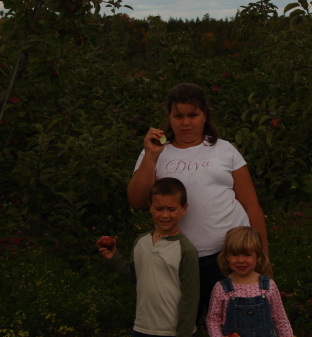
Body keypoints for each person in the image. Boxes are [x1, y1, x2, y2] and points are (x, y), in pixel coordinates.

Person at [127, 82, 270, 324]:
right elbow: (137, 201)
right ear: (169, 117)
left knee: (235, 323)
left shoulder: (224, 150)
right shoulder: (155, 152)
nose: (185, 122)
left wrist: (263, 252)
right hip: (177, 258)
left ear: (205, 115)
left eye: (192, 115)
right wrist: (151, 156)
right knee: (180, 323)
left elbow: (251, 205)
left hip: (228, 257)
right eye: (178, 116)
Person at [98, 177, 200, 337]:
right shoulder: (141, 242)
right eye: (159, 208)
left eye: (171, 209)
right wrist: (114, 257)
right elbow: (136, 275)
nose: (165, 215)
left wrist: (183, 334)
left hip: (173, 331)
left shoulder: (185, 250)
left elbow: (191, 297)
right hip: (142, 328)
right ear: (150, 207)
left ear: (184, 208)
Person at [206, 227, 293, 337]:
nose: (241, 260)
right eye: (235, 254)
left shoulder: (269, 286)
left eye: (247, 255)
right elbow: (213, 320)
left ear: (258, 257)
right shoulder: (221, 288)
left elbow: (281, 321)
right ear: (227, 256)